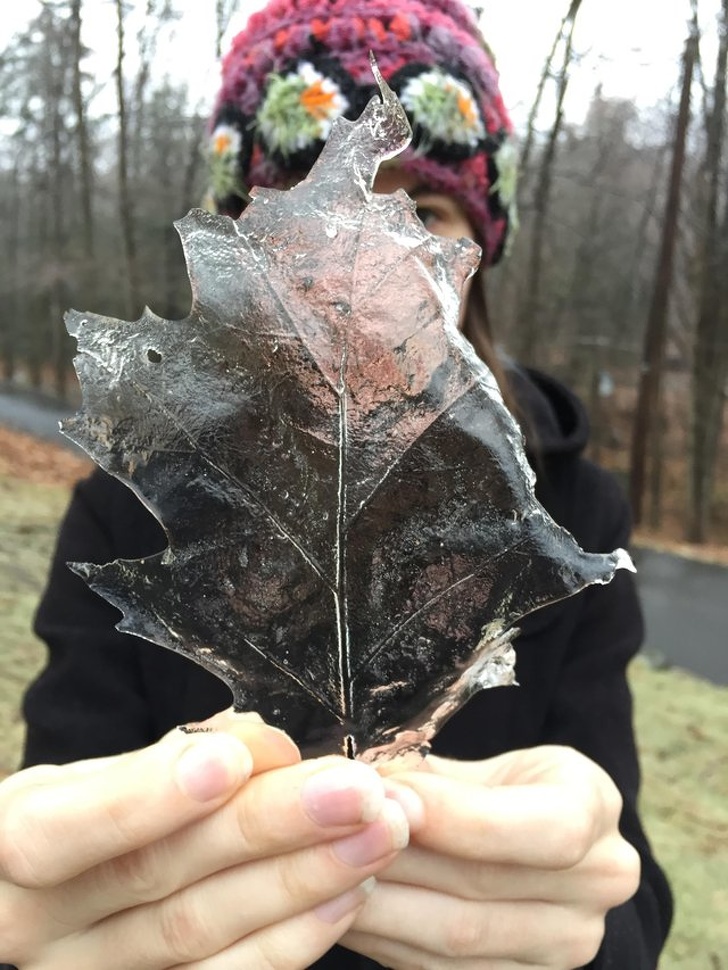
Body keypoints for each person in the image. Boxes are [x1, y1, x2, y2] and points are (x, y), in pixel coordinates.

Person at [0, 1, 673, 968]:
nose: (368, 259)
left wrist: (586, 933)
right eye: (311, 204)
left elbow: (628, 891)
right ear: (241, 254)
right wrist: (52, 920)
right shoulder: (131, 510)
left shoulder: (571, 519)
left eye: (421, 211)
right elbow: (58, 836)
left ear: (478, 255)